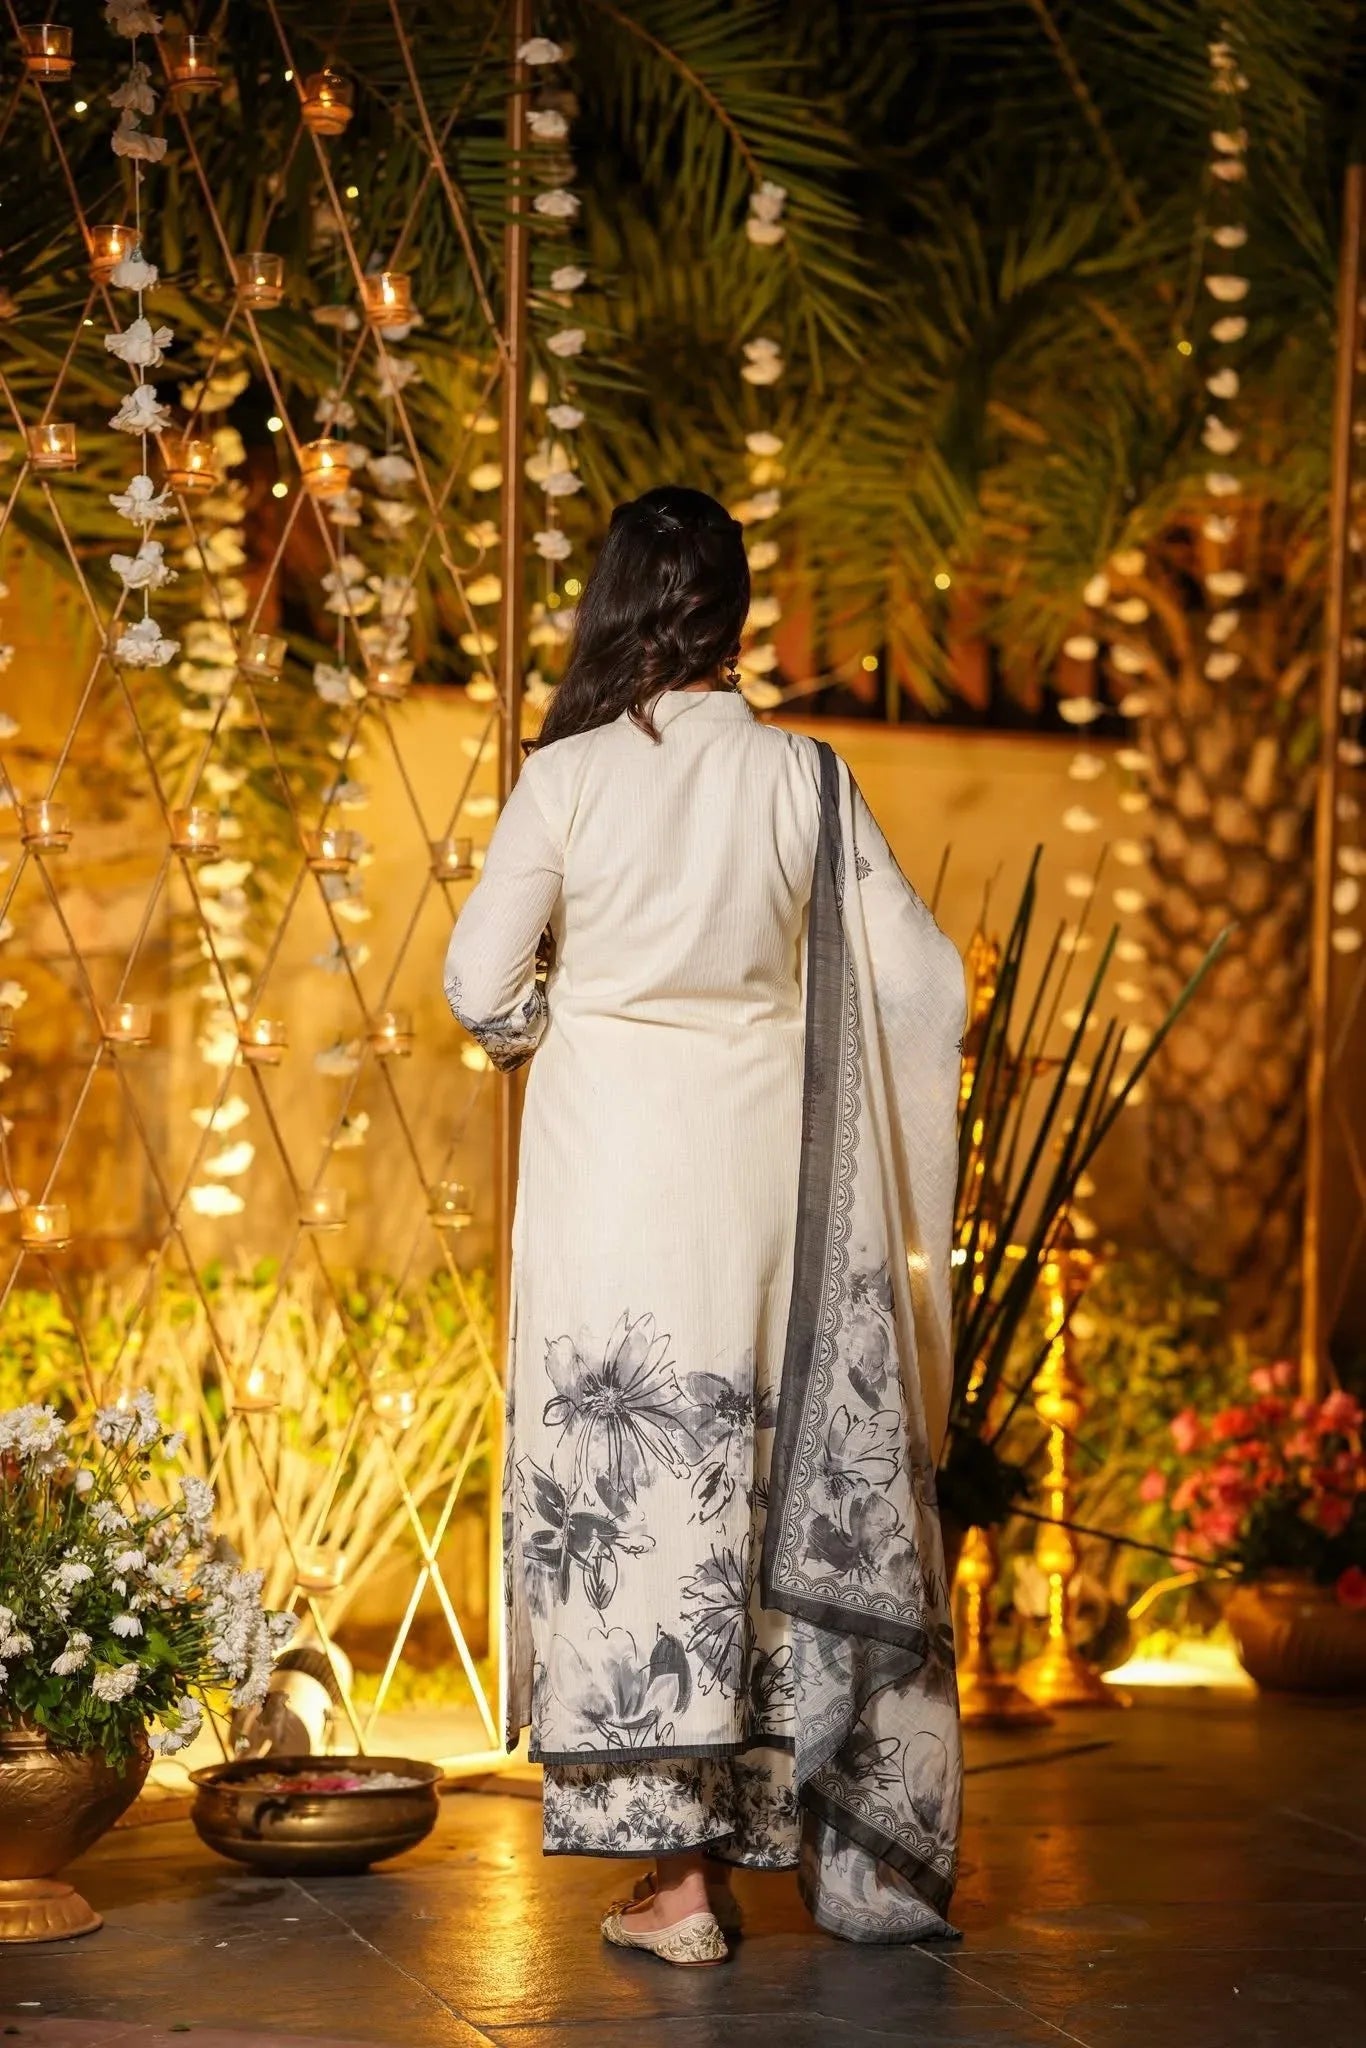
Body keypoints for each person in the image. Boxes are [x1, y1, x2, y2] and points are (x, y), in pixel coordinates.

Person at [444, 485, 966, 1965]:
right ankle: (793, 1828)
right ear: (734, 613)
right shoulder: (803, 777)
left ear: (612, 602)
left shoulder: (569, 778)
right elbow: (922, 981)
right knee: (750, 1491)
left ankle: (675, 1891)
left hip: (618, 1180)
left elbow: (479, 982)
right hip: (771, 1192)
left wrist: (559, 1021)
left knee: (632, 1505)